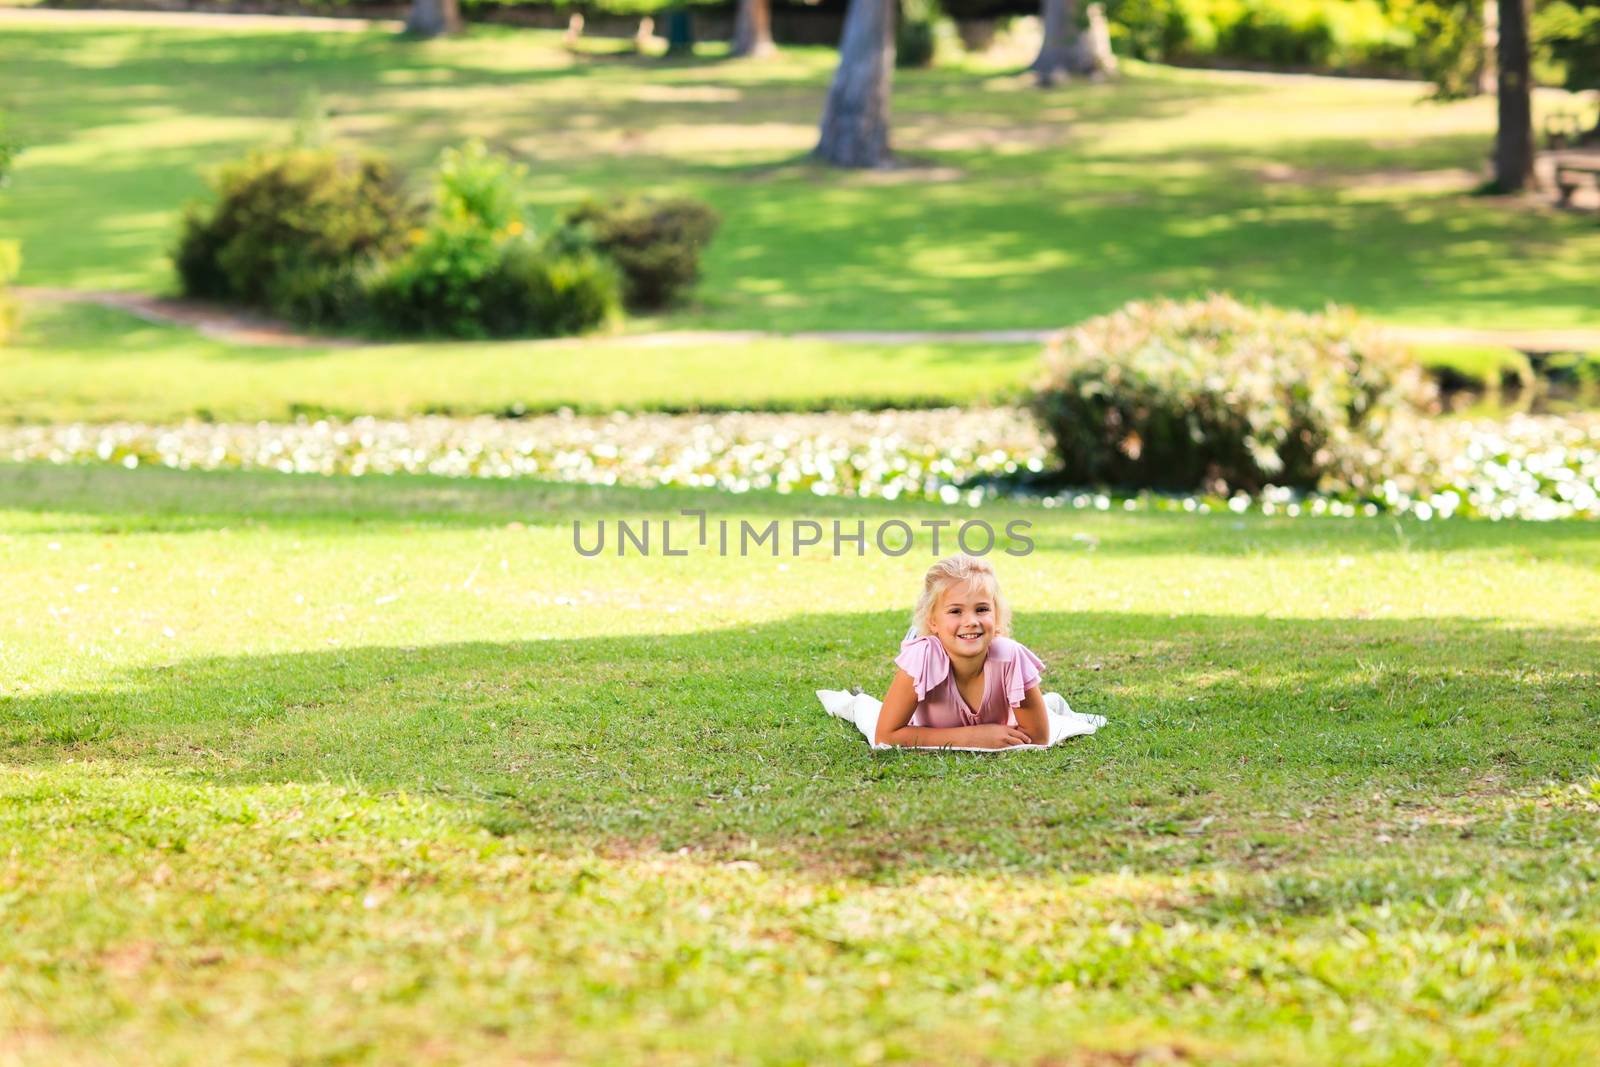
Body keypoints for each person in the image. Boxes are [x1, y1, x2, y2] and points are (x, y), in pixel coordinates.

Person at [874, 554, 1052, 750]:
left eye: (982, 609)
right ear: (932, 620)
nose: (971, 621)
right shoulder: (922, 658)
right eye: (955, 611)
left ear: (996, 614)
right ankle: (915, 634)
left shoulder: (1009, 657)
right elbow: (885, 735)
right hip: (931, 651)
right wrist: (972, 737)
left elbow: (1039, 736)